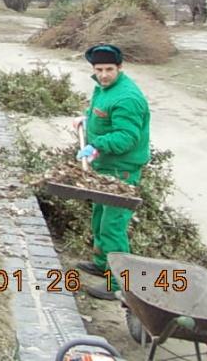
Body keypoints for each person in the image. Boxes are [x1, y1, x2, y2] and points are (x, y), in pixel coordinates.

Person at [75, 44, 150, 301]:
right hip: (105, 168)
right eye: (99, 70)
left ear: (120, 68)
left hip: (122, 172)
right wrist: (86, 120)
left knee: (113, 226)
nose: (104, 75)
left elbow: (127, 137)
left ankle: (118, 284)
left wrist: (96, 145)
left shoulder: (127, 98)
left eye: (109, 69)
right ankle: (101, 263)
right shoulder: (103, 87)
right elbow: (103, 116)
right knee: (99, 217)